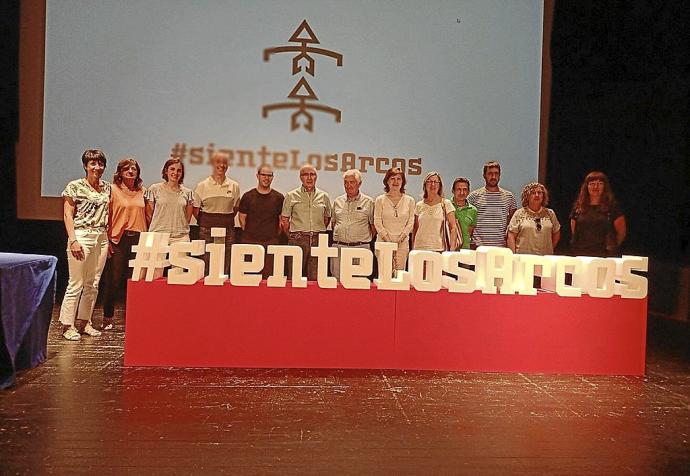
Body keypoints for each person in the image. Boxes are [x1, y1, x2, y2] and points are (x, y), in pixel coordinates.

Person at [59, 149, 111, 341]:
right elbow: (67, 214)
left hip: (101, 236)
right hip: (82, 235)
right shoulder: (74, 186)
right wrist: (73, 240)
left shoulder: (107, 188)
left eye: (100, 164)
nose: (97, 167)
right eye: (93, 164)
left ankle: (84, 321)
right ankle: (67, 325)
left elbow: (109, 213)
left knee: (93, 283)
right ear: (85, 166)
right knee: (76, 282)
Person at [101, 158, 147, 331]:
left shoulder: (143, 191)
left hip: (139, 239)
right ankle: (107, 317)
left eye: (134, 168)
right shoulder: (112, 190)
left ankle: (135, 317)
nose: (130, 171)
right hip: (118, 239)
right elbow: (105, 216)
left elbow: (149, 216)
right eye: (126, 169)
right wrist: (107, 240)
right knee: (113, 280)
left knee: (135, 280)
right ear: (119, 172)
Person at [281, 164, 332, 280]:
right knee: (294, 277)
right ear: (300, 178)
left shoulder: (324, 196)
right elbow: (284, 220)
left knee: (316, 278)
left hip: (318, 240)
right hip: (298, 239)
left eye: (312, 174)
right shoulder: (291, 195)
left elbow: (327, 217)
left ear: (316, 177)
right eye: (305, 175)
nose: (309, 178)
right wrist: (292, 236)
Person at [193, 152, 240, 274]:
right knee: (207, 261)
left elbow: (235, 208)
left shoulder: (234, 186)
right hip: (207, 230)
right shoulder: (202, 185)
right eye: (218, 162)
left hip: (228, 230)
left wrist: (222, 218)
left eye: (225, 163)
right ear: (212, 164)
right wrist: (210, 220)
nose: (222, 165)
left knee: (226, 261)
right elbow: (196, 210)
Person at [238, 164, 284, 279]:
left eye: (269, 175)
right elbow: (242, 218)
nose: (266, 178)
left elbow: (281, 221)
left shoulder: (279, 198)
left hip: (271, 243)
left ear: (273, 178)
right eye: (263, 175)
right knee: (249, 279)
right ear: (257, 176)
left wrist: (272, 236)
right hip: (250, 243)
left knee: (269, 279)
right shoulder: (248, 196)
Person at [330, 169, 375, 280]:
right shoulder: (337, 201)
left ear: (359, 184)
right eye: (346, 182)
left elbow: (373, 227)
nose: (348, 185)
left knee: (359, 285)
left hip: (361, 249)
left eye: (352, 182)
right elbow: (333, 223)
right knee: (337, 284)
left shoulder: (369, 202)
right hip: (339, 248)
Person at [570, 171, 626, 257]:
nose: (595, 187)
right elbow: (574, 231)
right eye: (592, 183)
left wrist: (611, 248)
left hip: (606, 256)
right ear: (586, 187)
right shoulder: (578, 208)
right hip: (581, 254)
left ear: (605, 187)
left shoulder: (613, 208)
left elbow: (621, 232)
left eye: (600, 183)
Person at [373, 167, 416, 274]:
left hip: (402, 244)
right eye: (392, 178)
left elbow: (411, 222)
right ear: (387, 181)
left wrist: (400, 239)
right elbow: (377, 222)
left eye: (399, 179)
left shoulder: (410, 201)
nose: (395, 182)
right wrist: (388, 241)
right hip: (383, 242)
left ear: (403, 182)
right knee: (384, 276)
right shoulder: (380, 200)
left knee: (399, 277)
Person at [145, 158, 195, 243]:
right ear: (165, 171)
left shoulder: (188, 193)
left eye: (179, 170)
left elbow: (187, 218)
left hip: (180, 237)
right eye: (172, 169)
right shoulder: (154, 189)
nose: (175, 173)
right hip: (157, 235)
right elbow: (149, 215)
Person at [467, 161, 517, 247]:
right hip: (478, 247)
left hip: (501, 247)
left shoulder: (509, 197)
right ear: (484, 175)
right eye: (490, 173)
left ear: (499, 175)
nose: (493, 177)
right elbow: (467, 222)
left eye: (496, 173)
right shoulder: (473, 196)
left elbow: (513, 224)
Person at [507, 182, 561, 255]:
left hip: (545, 258)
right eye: (533, 193)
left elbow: (556, 233)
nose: (536, 195)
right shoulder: (519, 214)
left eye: (539, 192)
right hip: (524, 257)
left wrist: (549, 248)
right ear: (527, 196)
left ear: (543, 196)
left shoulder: (550, 213)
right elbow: (511, 236)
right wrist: (513, 256)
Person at [412, 171, 459, 253]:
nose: (432, 184)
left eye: (435, 182)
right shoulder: (419, 205)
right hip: (419, 248)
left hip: (439, 248)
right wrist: (413, 248)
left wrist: (452, 249)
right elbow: (415, 229)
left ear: (439, 185)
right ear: (425, 184)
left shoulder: (446, 204)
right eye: (429, 181)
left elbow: (453, 228)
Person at [450, 177, 477, 250]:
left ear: (468, 192)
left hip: (465, 250)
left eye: (464, 189)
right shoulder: (446, 206)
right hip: (448, 250)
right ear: (453, 191)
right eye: (459, 189)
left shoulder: (473, 210)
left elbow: (470, 232)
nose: (462, 193)